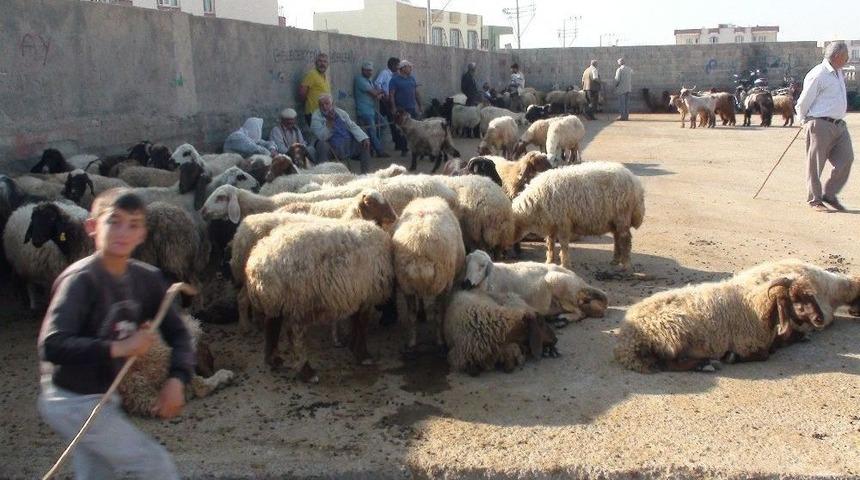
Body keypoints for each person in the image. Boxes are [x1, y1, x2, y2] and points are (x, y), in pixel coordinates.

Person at [37, 189, 194, 479]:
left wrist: (177, 379)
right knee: (155, 464)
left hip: (104, 397)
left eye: (133, 225)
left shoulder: (147, 279)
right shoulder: (80, 281)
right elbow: (52, 344)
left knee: (97, 473)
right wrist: (118, 348)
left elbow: (179, 334)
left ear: (142, 234)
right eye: (113, 221)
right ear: (92, 226)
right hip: (71, 400)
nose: (123, 232)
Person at [795, 41, 853, 212]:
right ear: (837, 56)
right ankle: (815, 199)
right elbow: (804, 101)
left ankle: (830, 194)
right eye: (845, 56)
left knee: (846, 159)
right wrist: (803, 120)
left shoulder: (838, 72)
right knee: (815, 164)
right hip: (820, 124)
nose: (847, 59)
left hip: (839, 125)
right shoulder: (818, 74)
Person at [310, 94, 372, 173]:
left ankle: (366, 174)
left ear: (332, 104)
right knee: (322, 144)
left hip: (346, 144)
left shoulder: (341, 113)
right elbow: (322, 137)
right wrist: (330, 124)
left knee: (364, 143)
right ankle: (323, 174)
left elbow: (352, 126)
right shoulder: (316, 117)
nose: (324, 107)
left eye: (327, 104)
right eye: (322, 105)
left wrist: (364, 137)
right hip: (331, 147)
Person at [353, 61, 390, 158]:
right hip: (364, 111)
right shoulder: (359, 80)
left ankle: (374, 147)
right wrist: (382, 90)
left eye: (371, 70)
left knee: (383, 124)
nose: (370, 72)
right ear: (362, 70)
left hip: (371, 109)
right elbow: (374, 93)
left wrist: (378, 93)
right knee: (372, 131)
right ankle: (379, 151)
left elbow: (376, 95)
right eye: (367, 70)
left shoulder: (369, 80)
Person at [388, 60, 422, 155]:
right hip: (401, 109)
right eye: (409, 67)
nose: (411, 69)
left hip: (411, 107)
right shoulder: (394, 80)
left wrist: (420, 105)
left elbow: (416, 93)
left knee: (414, 129)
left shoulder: (412, 79)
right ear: (403, 68)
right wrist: (393, 108)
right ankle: (404, 149)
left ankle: (416, 148)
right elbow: (391, 95)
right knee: (403, 130)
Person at [375, 56, 407, 156]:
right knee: (390, 122)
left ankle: (398, 144)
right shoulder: (385, 73)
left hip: (392, 101)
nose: (398, 67)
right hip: (385, 101)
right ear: (392, 65)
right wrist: (383, 94)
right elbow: (377, 83)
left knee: (394, 122)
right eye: (397, 65)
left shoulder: (395, 75)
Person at [299, 53, 331, 125]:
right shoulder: (312, 74)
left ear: (328, 64)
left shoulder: (324, 76)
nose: (322, 64)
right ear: (316, 63)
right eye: (320, 61)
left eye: (325, 61)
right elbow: (302, 93)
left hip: (323, 113)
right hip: (313, 113)